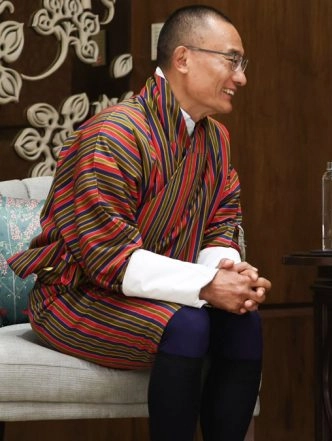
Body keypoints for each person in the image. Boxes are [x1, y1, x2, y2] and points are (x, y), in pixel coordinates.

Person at [8, 5, 268, 441]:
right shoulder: (112, 135)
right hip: (77, 296)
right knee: (189, 324)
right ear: (183, 58)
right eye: (232, 60)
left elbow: (221, 223)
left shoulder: (215, 140)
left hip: (156, 294)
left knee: (243, 320)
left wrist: (227, 274)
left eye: (242, 64)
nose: (240, 77)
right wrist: (207, 286)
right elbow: (111, 260)